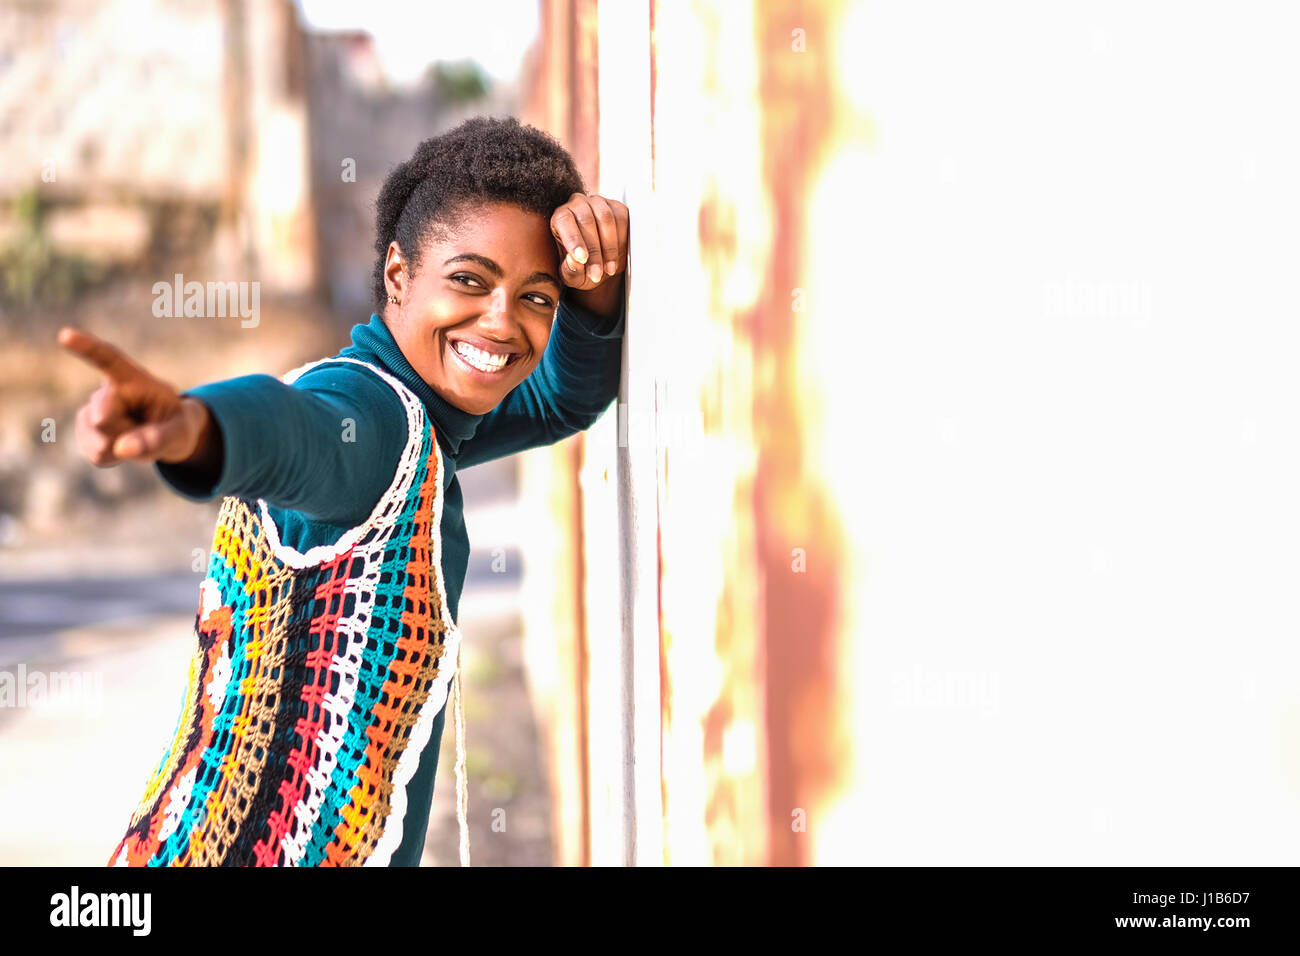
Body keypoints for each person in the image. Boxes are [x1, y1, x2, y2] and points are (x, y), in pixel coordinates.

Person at [59, 115, 629, 866]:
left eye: (536, 298)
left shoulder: (435, 417)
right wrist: (198, 426)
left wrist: (593, 291)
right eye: (469, 280)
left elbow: (560, 400)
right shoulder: (380, 421)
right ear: (398, 274)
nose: (502, 322)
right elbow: (297, 435)